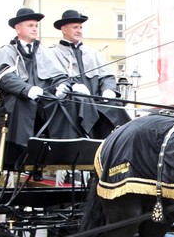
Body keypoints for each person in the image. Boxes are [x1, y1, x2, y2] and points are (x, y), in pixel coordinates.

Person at [0, 7, 75, 166]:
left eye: (36, 25)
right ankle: (20, 157)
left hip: (44, 99)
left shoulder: (45, 51)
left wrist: (62, 86)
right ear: (18, 28)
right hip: (17, 101)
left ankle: (63, 154)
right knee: (23, 103)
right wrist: (27, 89)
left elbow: (59, 75)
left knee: (68, 102)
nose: (35, 28)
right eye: (30, 25)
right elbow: (5, 78)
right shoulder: (7, 51)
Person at [51, 9, 131, 139]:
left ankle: (122, 139)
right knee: (82, 101)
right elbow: (55, 77)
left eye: (81, 27)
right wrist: (72, 86)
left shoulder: (93, 53)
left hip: (96, 101)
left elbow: (107, 76)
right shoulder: (53, 53)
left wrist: (109, 89)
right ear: (64, 29)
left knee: (114, 103)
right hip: (71, 102)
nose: (79, 31)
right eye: (75, 27)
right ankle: (87, 139)